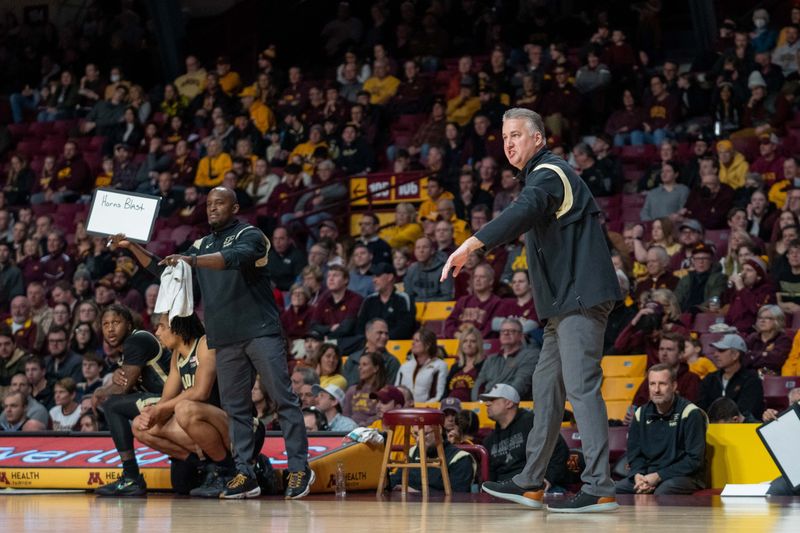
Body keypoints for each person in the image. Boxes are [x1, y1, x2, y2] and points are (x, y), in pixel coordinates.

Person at [443, 108, 621, 512]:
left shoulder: (551, 174)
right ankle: (530, 481)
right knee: (545, 390)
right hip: (562, 306)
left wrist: (472, 245)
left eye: (517, 135)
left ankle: (599, 486)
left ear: (538, 139)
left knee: (581, 388)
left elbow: (523, 211)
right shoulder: (539, 178)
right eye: (504, 136)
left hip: (580, 299)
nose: (508, 143)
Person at [110, 186, 313, 499]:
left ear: (234, 207)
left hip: (260, 331)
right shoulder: (200, 246)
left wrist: (193, 260)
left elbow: (232, 258)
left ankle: (300, 468)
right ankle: (245, 473)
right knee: (236, 408)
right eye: (209, 204)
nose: (212, 208)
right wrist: (131, 247)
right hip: (224, 338)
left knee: (282, 398)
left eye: (220, 203)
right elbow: (166, 272)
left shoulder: (252, 235)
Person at [131, 313, 240, 498]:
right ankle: (205, 466)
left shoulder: (205, 344)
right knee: (139, 426)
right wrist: (151, 414)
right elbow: (165, 402)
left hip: (236, 425)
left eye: (162, 327)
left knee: (185, 408)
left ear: (178, 328)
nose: (157, 332)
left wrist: (161, 409)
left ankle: (226, 470)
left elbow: (200, 392)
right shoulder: (176, 356)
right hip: (203, 425)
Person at [91, 305, 171, 497]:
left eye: (116, 323)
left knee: (112, 405)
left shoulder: (137, 340)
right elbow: (129, 386)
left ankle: (131, 476)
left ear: (128, 325)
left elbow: (123, 388)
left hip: (171, 398)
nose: (110, 329)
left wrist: (99, 392)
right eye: (106, 324)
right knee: (182, 482)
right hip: (161, 399)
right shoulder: (128, 350)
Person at [616, 364, 708, 495]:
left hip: (684, 477)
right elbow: (635, 455)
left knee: (662, 491)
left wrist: (659, 476)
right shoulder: (640, 413)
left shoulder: (690, 413)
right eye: (652, 384)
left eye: (662, 384)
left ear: (674, 386)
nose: (656, 390)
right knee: (613, 491)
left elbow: (694, 461)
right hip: (648, 476)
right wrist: (638, 475)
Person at [481, 384, 569, 491]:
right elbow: (490, 472)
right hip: (504, 490)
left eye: (492, 400)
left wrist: (548, 479)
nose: (487, 404)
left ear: (509, 403)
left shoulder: (532, 423)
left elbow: (560, 450)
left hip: (534, 487)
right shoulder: (489, 439)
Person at [698, 334, 764, 421]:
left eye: (721, 350)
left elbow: (746, 412)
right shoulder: (710, 378)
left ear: (735, 355)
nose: (715, 354)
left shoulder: (751, 380)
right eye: (716, 350)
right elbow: (700, 408)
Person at [471, 318, 539, 401]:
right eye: (503, 331)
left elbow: (521, 384)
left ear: (521, 336)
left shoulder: (531, 355)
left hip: (511, 404)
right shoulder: (491, 359)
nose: (506, 333)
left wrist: (497, 402)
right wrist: (478, 401)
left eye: (512, 331)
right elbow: (478, 384)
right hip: (486, 402)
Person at [356, 263, 415, 341]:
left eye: (377, 276)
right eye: (373, 277)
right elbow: (360, 327)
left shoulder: (403, 299)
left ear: (390, 277)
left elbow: (405, 328)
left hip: (396, 345)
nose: (374, 280)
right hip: (369, 345)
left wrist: (381, 339)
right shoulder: (369, 300)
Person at [395, 328, 449, 403]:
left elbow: (439, 395)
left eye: (417, 341)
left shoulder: (440, 365)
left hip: (427, 410)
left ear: (428, 345)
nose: (413, 343)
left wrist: (421, 408)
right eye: (413, 340)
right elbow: (396, 391)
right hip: (404, 409)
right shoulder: (404, 366)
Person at [342, 318, 400, 386]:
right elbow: (344, 386)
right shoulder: (352, 359)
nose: (384, 337)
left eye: (386, 334)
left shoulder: (392, 362)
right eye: (380, 333)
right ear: (367, 334)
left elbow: (389, 391)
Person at [342, 351, 386, 426]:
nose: (359, 368)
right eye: (359, 364)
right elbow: (345, 415)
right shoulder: (352, 390)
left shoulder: (384, 391)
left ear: (376, 368)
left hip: (373, 430)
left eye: (364, 364)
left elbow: (381, 415)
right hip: (351, 430)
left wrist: (366, 424)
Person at [404, 236, 454, 302]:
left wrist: (425, 302)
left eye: (425, 247)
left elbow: (447, 296)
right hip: (416, 308)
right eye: (418, 248)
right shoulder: (411, 269)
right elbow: (408, 296)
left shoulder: (444, 270)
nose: (421, 251)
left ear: (432, 251)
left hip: (438, 308)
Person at [445, 326, 485, 401]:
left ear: (478, 344)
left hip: (472, 408)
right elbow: (446, 390)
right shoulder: (455, 367)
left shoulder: (484, 365)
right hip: (450, 406)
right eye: (465, 341)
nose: (468, 344)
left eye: (473, 341)